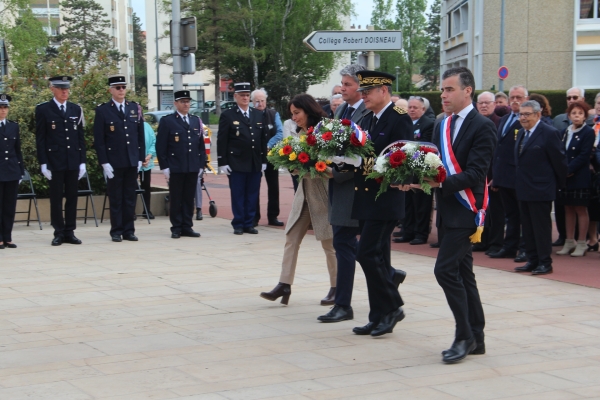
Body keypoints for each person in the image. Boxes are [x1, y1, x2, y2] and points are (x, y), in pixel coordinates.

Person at [404, 66, 496, 363]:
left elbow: (476, 172)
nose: (443, 95)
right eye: (442, 90)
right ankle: (477, 337)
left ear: (467, 91)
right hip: (446, 209)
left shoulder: (482, 126)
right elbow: (435, 163)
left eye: (449, 89)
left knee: (444, 270)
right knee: (463, 273)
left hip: (467, 209)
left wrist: (438, 182)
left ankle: (464, 335)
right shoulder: (442, 123)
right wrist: (414, 177)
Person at [348, 70, 412, 338]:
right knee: (378, 257)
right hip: (366, 197)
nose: (363, 97)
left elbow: (405, 157)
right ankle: (379, 316)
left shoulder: (399, 118)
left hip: (385, 199)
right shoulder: (369, 118)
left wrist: (362, 162)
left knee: (366, 254)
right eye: (362, 92)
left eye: (368, 92)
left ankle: (393, 306)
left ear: (383, 91)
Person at [259, 94, 337, 305]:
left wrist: (316, 166)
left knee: (329, 243)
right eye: (291, 114)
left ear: (309, 110)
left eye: (297, 113)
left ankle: (337, 287)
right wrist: (294, 166)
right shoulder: (300, 132)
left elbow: (336, 164)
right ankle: (284, 284)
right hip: (304, 192)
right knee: (291, 238)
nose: (294, 118)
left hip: (323, 193)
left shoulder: (327, 130)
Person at [514, 100, 567, 275]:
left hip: (541, 189)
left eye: (526, 114)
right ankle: (532, 259)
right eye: (521, 114)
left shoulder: (549, 133)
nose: (523, 118)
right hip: (523, 188)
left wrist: (559, 186)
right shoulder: (522, 133)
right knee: (527, 228)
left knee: (541, 228)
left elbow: (559, 162)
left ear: (538, 114)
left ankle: (545, 262)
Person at [93, 74, 145, 242]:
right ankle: (116, 230)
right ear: (111, 90)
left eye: (123, 87)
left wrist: (140, 157)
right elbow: (99, 140)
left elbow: (140, 135)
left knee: (130, 197)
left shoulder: (134, 108)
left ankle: (129, 230)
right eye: (118, 87)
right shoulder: (103, 110)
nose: (121, 90)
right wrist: (104, 162)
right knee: (116, 198)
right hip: (114, 161)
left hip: (131, 160)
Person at [35, 76, 86, 246]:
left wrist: (82, 161)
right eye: (61, 88)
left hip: (72, 160)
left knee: (72, 197)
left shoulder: (75, 109)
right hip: (54, 161)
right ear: (52, 89)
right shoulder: (43, 109)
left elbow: (80, 137)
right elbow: (41, 138)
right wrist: (43, 163)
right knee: (56, 199)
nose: (65, 92)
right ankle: (58, 232)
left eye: (67, 89)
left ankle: (69, 231)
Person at [217, 82, 267, 235]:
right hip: (236, 162)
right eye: (242, 95)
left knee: (252, 194)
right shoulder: (228, 115)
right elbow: (222, 139)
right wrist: (222, 161)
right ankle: (238, 223)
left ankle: (249, 223)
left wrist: (264, 159)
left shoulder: (257, 114)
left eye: (247, 95)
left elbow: (262, 139)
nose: (245, 98)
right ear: (235, 96)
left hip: (254, 161)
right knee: (238, 194)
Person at [156, 90, 206, 238]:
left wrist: (200, 165)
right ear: (176, 103)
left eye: (188, 101)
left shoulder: (195, 120)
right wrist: (165, 166)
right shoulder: (168, 121)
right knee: (176, 198)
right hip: (176, 166)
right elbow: (161, 146)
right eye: (182, 101)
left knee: (189, 198)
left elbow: (200, 146)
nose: (186, 104)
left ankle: (187, 226)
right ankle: (176, 227)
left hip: (192, 166)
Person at [489, 85, 528, 263]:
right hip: (503, 175)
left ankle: (525, 248)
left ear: (526, 99)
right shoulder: (504, 120)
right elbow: (499, 149)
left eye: (519, 97)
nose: (515, 101)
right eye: (512, 97)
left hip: (519, 176)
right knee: (510, 214)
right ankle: (509, 246)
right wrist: (495, 176)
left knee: (523, 215)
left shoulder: (528, 121)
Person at [556, 101, 595, 257]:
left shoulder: (588, 132)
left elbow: (584, 156)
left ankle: (581, 242)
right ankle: (569, 240)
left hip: (579, 176)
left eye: (580, 113)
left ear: (585, 116)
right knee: (568, 208)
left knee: (580, 208)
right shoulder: (565, 131)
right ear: (569, 115)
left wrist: (569, 169)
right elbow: (560, 151)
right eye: (574, 113)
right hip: (565, 176)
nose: (576, 116)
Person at [394, 95, 434, 245]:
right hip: (405, 169)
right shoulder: (405, 122)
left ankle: (420, 233)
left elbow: (425, 145)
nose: (411, 110)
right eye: (409, 107)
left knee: (421, 204)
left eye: (415, 107)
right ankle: (407, 231)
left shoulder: (428, 124)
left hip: (421, 169)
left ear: (423, 109)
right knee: (407, 203)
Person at [475, 91, 504, 255]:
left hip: (493, 176)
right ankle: (482, 240)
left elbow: (499, 153)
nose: (484, 106)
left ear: (494, 104)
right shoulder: (476, 123)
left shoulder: (499, 123)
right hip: (478, 175)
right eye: (481, 103)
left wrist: (495, 177)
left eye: (487, 102)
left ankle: (495, 243)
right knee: (480, 211)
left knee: (496, 213)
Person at [251, 88, 284, 227]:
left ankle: (273, 216)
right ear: (253, 102)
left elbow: (280, 133)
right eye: (257, 101)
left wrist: (267, 145)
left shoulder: (273, 114)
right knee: (254, 187)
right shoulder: (250, 115)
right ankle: (254, 217)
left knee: (274, 187)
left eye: (262, 100)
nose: (260, 103)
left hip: (271, 155)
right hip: (255, 156)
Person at [0, 94, 24, 249]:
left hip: (12, 170)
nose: (3, 111)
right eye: (1, 107)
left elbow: (17, 150)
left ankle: (7, 237)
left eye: (5, 107)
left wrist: (20, 170)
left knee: (9, 206)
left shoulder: (13, 126)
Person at [138, 120, 156, 219]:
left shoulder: (146, 126)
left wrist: (149, 156)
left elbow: (153, 141)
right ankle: (130, 212)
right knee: (131, 187)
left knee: (146, 187)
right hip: (133, 163)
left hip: (146, 163)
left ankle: (147, 210)